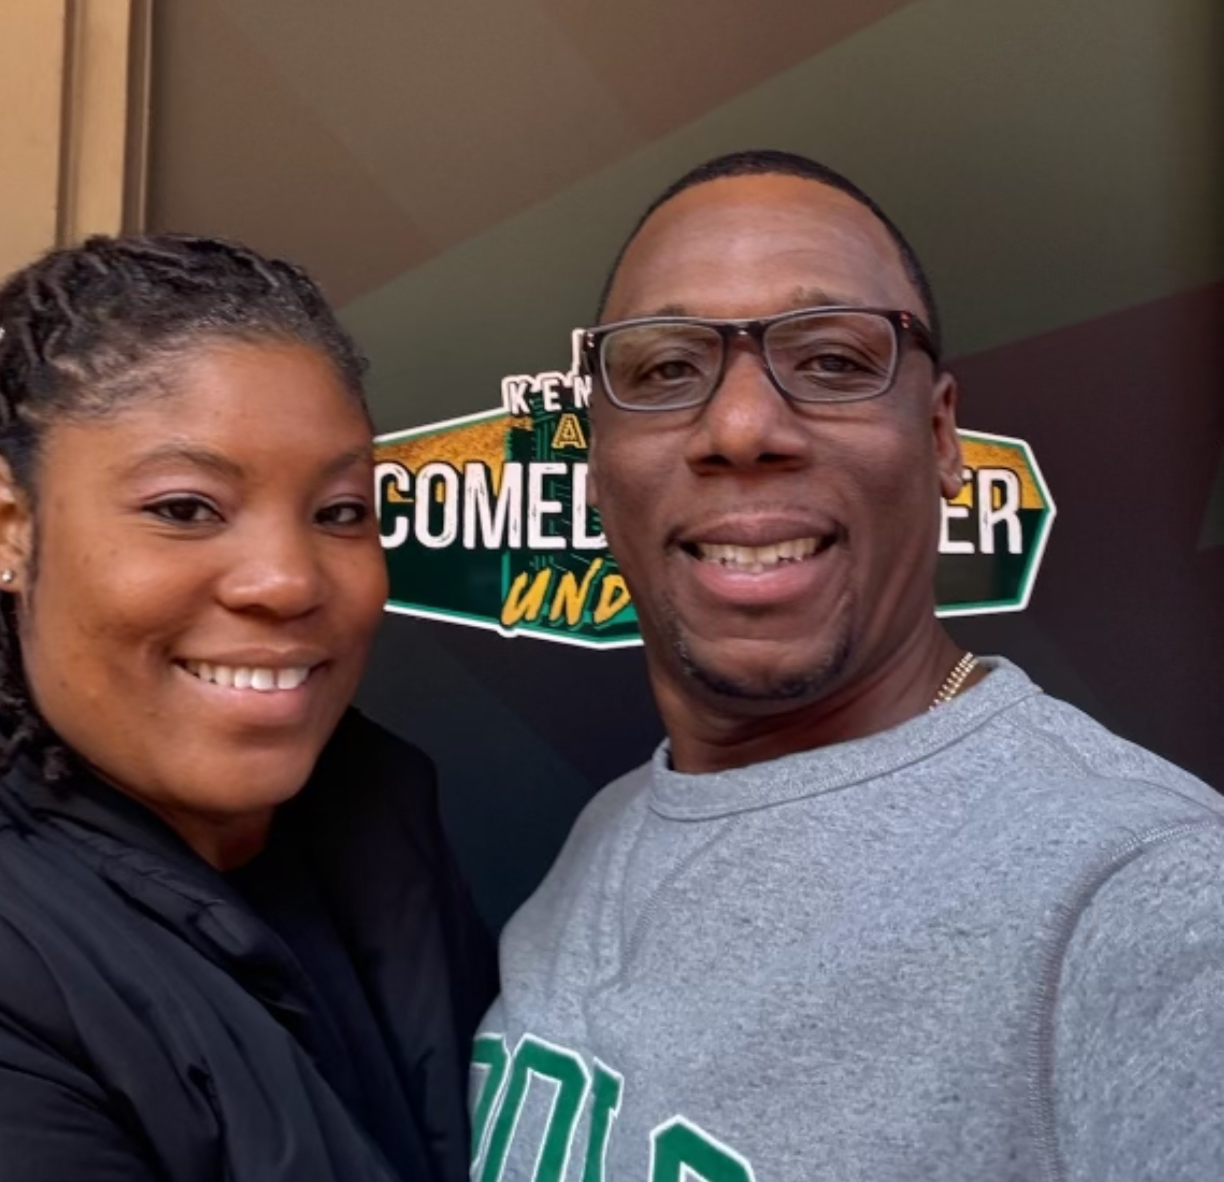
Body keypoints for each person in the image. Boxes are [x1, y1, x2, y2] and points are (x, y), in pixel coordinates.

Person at [476, 149, 1224, 1182]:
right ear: (595, 459)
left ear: (941, 435)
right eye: (666, 370)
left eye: (831, 361)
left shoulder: (1151, 899)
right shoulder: (606, 833)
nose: (742, 427)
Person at [0, 233, 495, 1182]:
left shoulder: (383, 835)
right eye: (185, 508)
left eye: (340, 511)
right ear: (9, 526)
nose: (287, 580)